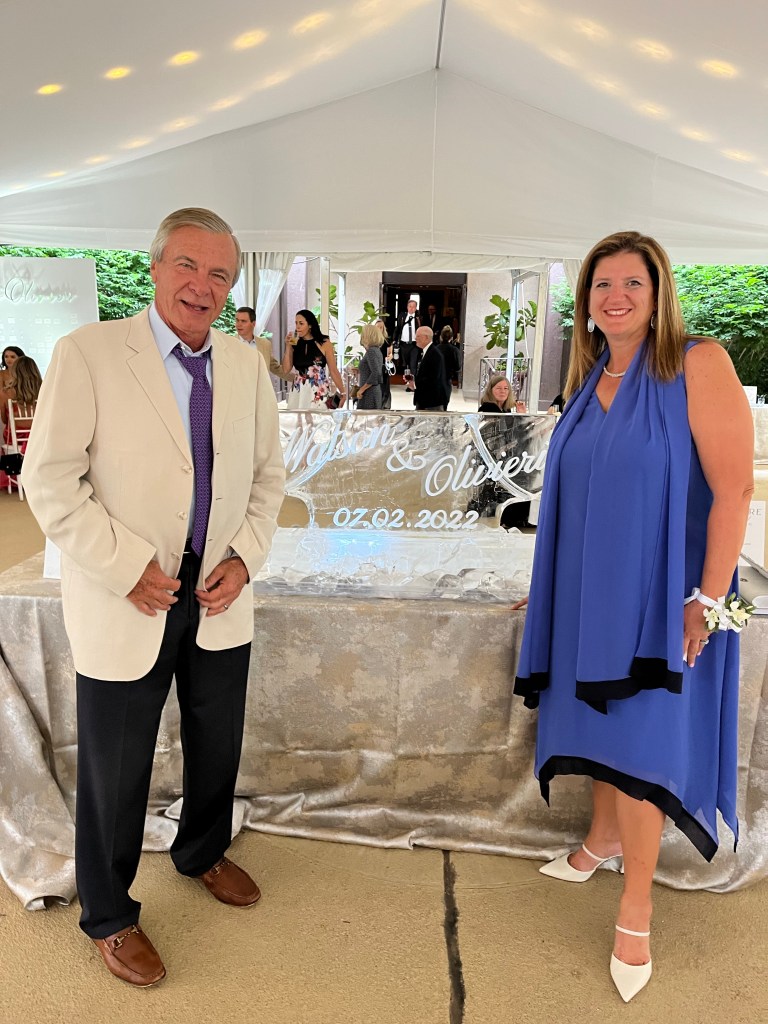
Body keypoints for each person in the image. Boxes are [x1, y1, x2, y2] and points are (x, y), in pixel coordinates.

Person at [21, 208, 286, 988]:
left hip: (218, 591)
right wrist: (125, 565)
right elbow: (49, 481)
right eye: (187, 266)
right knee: (117, 765)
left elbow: (268, 478)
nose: (202, 287)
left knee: (217, 742)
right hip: (126, 594)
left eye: (219, 275)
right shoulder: (90, 352)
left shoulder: (245, 364)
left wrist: (245, 558)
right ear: (155, 267)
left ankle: (201, 850)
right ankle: (108, 914)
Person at [513, 230, 754, 1002]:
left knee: (641, 743)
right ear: (586, 302)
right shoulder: (591, 378)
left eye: (632, 284)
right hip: (590, 595)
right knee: (597, 723)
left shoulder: (698, 363)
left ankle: (637, 909)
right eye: (601, 285)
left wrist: (708, 601)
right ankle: (602, 840)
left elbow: (735, 490)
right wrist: (552, 588)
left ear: (658, 295)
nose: (615, 296)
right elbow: (582, 502)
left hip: (667, 601)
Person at [282, 308, 346, 409]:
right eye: (296, 323)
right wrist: (288, 346)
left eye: (301, 323)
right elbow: (286, 369)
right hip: (299, 391)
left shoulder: (324, 343)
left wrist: (343, 392)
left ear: (310, 325)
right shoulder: (295, 343)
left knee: (319, 417)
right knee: (299, 418)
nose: (297, 327)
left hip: (318, 390)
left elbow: (333, 370)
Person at [234, 306, 293, 382]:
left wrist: (297, 379)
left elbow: (275, 368)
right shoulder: (229, 344)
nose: (238, 324)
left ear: (253, 323)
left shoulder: (265, 344)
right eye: (237, 320)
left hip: (260, 388)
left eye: (243, 321)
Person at [412, 326, 450, 411]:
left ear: (426, 337)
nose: (415, 338)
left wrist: (415, 384)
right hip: (425, 401)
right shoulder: (426, 352)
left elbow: (433, 379)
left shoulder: (435, 355)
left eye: (418, 336)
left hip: (432, 403)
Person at [355, 324, 384, 410]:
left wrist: (362, 389)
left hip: (369, 393)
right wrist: (359, 370)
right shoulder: (375, 350)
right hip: (371, 391)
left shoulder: (371, 351)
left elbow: (376, 374)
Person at [392, 299, 420, 377]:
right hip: (403, 344)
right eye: (410, 306)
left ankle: (412, 381)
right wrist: (394, 340)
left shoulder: (418, 318)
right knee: (404, 364)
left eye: (413, 307)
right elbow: (398, 328)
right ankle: (407, 380)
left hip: (414, 345)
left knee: (413, 364)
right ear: (407, 307)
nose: (411, 308)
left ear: (416, 308)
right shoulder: (402, 316)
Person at [438, 325, 461, 404]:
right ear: (451, 338)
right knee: (444, 404)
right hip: (447, 380)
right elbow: (458, 367)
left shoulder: (435, 349)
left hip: (435, 380)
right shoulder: (454, 350)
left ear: (441, 336)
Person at [375, 318, 394, 410]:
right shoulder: (372, 340)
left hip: (383, 366)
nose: (379, 329)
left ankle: (383, 404)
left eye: (381, 327)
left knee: (384, 387)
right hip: (375, 365)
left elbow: (390, 353)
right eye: (378, 327)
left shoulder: (387, 340)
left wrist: (389, 357)